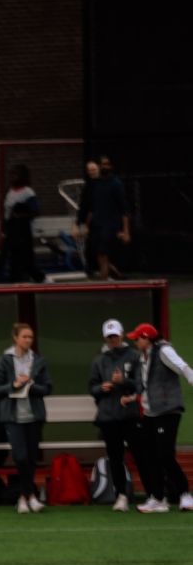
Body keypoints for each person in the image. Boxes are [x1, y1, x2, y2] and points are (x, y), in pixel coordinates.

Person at [127, 322, 193, 514]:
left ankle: (185, 495)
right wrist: (132, 397)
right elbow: (146, 386)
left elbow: (182, 366)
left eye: (137, 338)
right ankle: (158, 499)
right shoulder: (142, 357)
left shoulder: (164, 351)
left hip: (167, 411)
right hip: (150, 413)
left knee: (165, 455)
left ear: (147, 338)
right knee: (150, 457)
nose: (135, 342)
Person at [0, 321, 51, 513]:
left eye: (30, 337)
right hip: (13, 416)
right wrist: (14, 385)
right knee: (20, 456)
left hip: (33, 415)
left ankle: (27, 497)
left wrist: (31, 385)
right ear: (15, 338)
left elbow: (47, 387)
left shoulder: (38, 360)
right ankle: (26, 495)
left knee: (32, 458)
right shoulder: (5, 360)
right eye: (24, 336)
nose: (28, 340)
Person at [88, 317, 140, 512]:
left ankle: (154, 494)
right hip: (109, 417)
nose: (112, 340)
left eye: (115, 336)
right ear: (105, 338)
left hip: (130, 415)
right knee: (115, 457)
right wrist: (102, 388)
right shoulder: (99, 360)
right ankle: (121, 495)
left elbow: (140, 384)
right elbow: (92, 387)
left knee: (140, 455)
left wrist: (122, 381)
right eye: (109, 337)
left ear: (122, 335)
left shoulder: (134, 356)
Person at [76, 156, 130, 281]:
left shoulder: (116, 184)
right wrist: (85, 224)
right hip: (97, 224)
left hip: (110, 225)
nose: (104, 167)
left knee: (102, 253)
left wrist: (125, 231)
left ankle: (104, 281)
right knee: (100, 255)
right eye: (102, 164)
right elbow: (89, 207)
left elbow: (124, 209)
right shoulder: (95, 184)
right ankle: (114, 276)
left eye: (107, 164)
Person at [0, 165, 40, 283]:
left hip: (23, 228)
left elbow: (35, 211)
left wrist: (21, 215)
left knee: (25, 255)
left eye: (16, 175)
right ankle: (13, 276)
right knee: (10, 253)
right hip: (11, 226)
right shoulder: (10, 191)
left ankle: (36, 276)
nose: (13, 177)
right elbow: (6, 211)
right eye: (11, 175)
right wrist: (5, 228)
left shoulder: (28, 192)